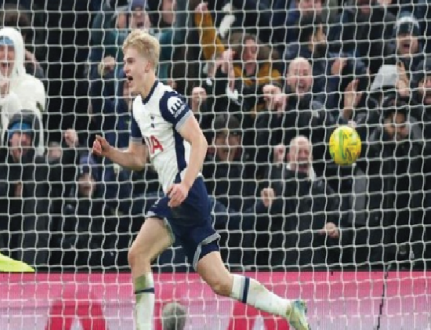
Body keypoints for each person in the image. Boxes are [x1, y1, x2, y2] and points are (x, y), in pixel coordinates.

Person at [92, 29, 310, 330]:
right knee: (220, 282)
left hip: (188, 195)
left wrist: (184, 183)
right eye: (124, 62)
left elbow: (201, 142)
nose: (125, 68)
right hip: (178, 199)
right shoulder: (137, 108)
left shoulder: (168, 100)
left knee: (138, 254)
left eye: (130, 61)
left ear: (147, 65)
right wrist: (110, 152)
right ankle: (288, 308)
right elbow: (138, 160)